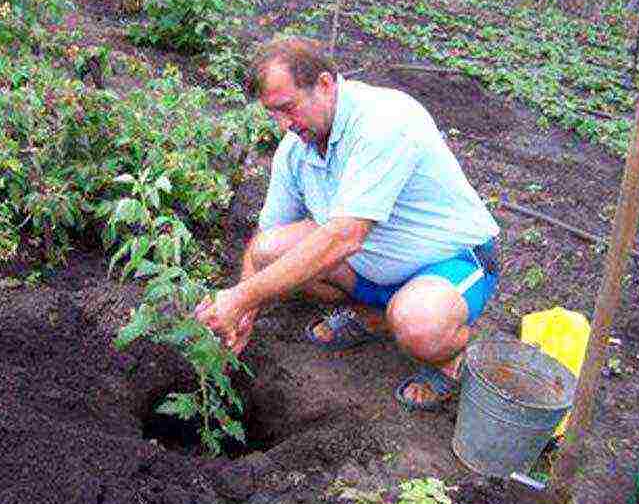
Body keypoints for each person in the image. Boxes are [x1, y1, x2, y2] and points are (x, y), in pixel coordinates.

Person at [195, 36, 500, 411]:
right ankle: (374, 317)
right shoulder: (297, 147)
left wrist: (241, 297)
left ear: (324, 84)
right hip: (374, 263)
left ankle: (450, 361)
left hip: (450, 262)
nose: (284, 125)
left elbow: (345, 237)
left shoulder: (384, 121)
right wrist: (243, 312)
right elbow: (267, 234)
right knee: (268, 250)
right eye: (273, 113)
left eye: (288, 108)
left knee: (420, 324)